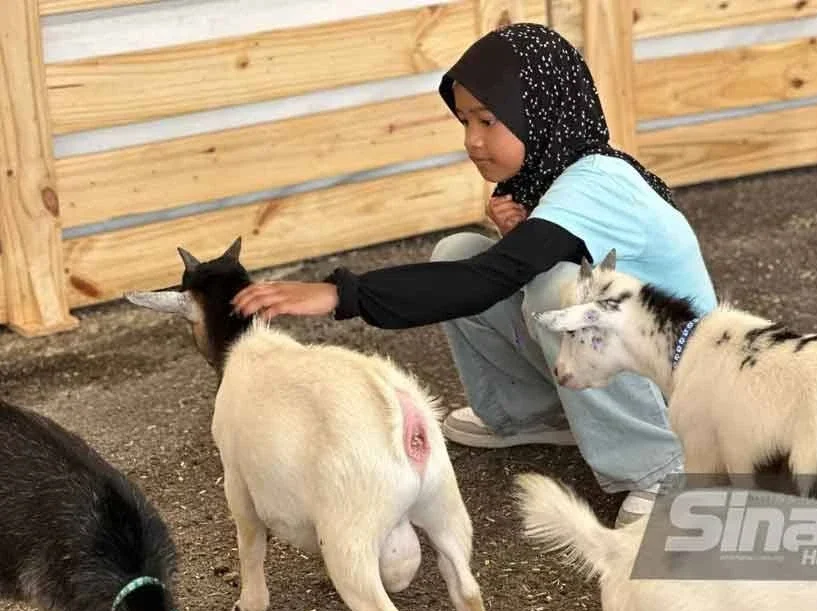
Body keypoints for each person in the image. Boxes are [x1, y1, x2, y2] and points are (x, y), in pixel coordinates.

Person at [231, 23, 718, 528]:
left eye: (488, 120)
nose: (472, 140)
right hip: (636, 362)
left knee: (560, 292)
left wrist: (342, 294)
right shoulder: (547, 175)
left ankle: (660, 465)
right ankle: (532, 413)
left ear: (541, 112)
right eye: (464, 120)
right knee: (457, 252)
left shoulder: (598, 181)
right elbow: (493, 270)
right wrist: (520, 234)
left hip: (686, 394)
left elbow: (491, 278)